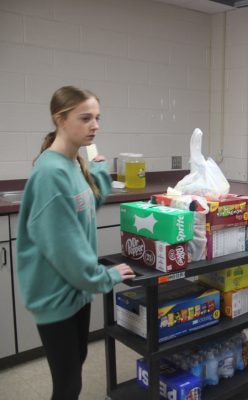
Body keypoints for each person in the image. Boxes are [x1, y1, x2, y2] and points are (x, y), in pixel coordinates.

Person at [16, 86, 136, 400]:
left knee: (76, 365)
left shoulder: (71, 164)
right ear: (61, 119)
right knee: (68, 385)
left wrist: (98, 171)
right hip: (56, 295)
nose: (94, 125)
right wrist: (105, 277)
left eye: (97, 117)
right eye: (85, 118)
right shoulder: (50, 174)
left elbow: (84, 208)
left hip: (75, 292)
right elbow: (66, 249)